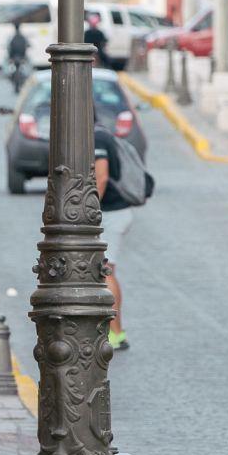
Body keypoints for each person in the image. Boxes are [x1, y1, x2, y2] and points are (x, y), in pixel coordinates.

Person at [94, 124, 131, 351]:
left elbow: (102, 177)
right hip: (113, 213)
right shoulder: (101, 134)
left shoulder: (96, 139)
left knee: (106, 270)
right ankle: (112, 330)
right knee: (105, 269)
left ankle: (116, 333)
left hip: (110, 213)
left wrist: (88, 211)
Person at [6, 21, 32, 91]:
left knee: (6, 64)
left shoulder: (12, 37)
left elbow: (8, 46)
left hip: (14, 56)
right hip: (21, 56)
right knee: (29, 64)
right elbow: (28, 44)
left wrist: (10, 57)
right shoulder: (23, 36)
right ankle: (29, 77)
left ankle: (8, 74)